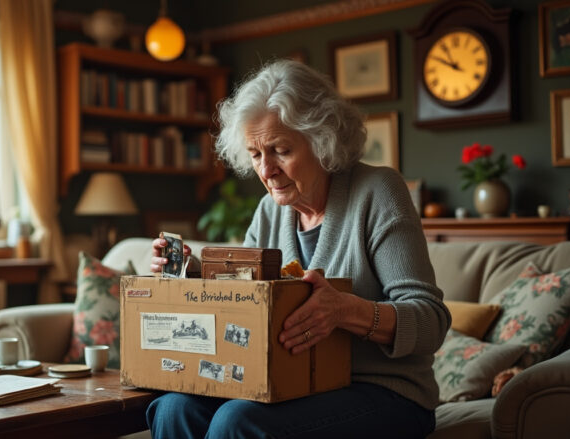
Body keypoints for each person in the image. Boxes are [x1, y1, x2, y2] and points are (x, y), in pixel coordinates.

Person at [148, 60, 451, 438]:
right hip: (293, 384)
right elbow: (244, 303)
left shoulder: (377, 192)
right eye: (255, 154)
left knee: (238, 421)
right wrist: (192, 274)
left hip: (385, 392)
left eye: (280, 150)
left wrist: (344, 310)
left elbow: (431, 322)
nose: (266, 170)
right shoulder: (268, 212)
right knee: (174, 408)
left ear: (323, 140)